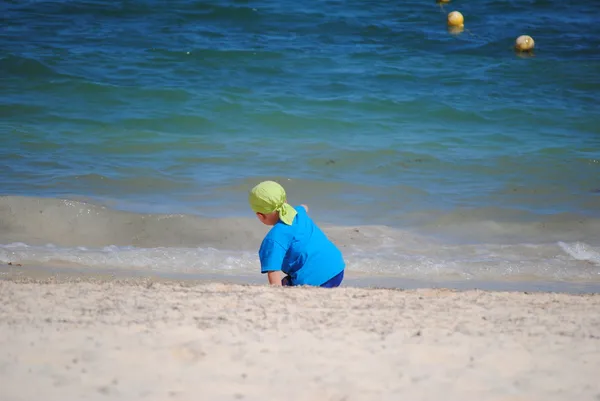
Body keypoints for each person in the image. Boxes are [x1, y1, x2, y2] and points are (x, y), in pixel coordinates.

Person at [248, 180, 345, 287]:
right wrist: (303, 207)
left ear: (260, 215)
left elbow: (273, 271)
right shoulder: (298, 212)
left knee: (286, 284)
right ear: (285, 201)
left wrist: (277, 292)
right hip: (337, 268)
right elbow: (304, 207)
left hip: (316, 281)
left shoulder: (273, 239)